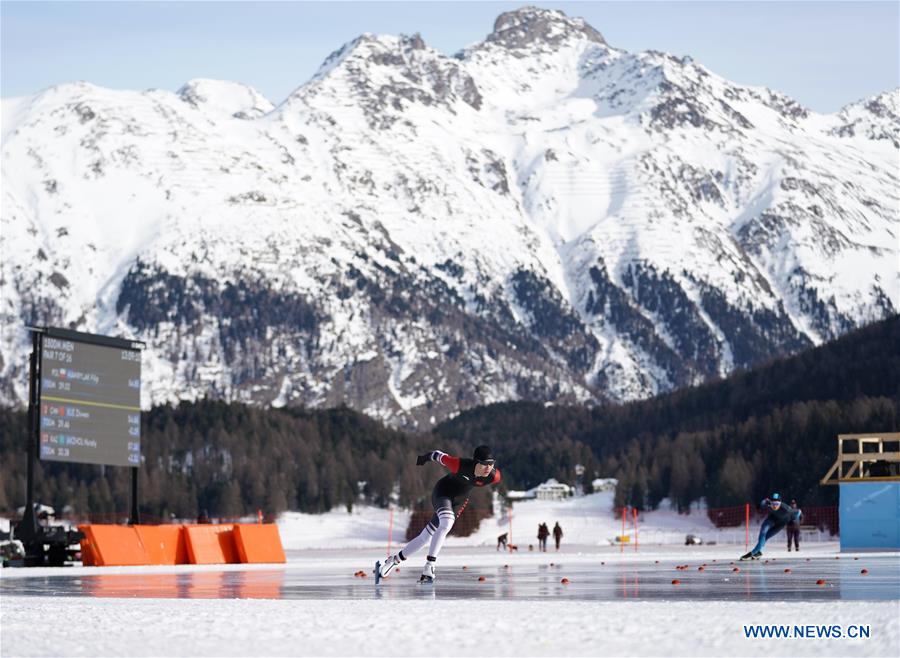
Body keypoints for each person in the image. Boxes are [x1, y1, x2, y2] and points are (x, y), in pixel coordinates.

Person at [377, 445, 502, 583]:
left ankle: (394, 560)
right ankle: (430, 565)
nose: (488, 468)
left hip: (459, 502)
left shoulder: (494, 476)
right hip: (443, 493)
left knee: (425, 537)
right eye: (485, 464)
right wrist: (423, 458)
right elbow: (438, 454)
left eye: (491, 464)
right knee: (447, 522)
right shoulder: (458, 464)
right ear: (476, 462)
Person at [741, 493, 801, 560]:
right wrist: (761, 503)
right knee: (763, 532)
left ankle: (755, 552)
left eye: (777, 504)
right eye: (773, 504)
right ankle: (756, 552)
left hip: (781, 524)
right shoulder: (768, 503)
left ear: (780, 503)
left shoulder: (787, 509)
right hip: (772, 518)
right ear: (770, 502)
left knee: (766, 536)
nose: (775, 506)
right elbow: (759, 507)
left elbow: (796, 515)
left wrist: (798, 513)